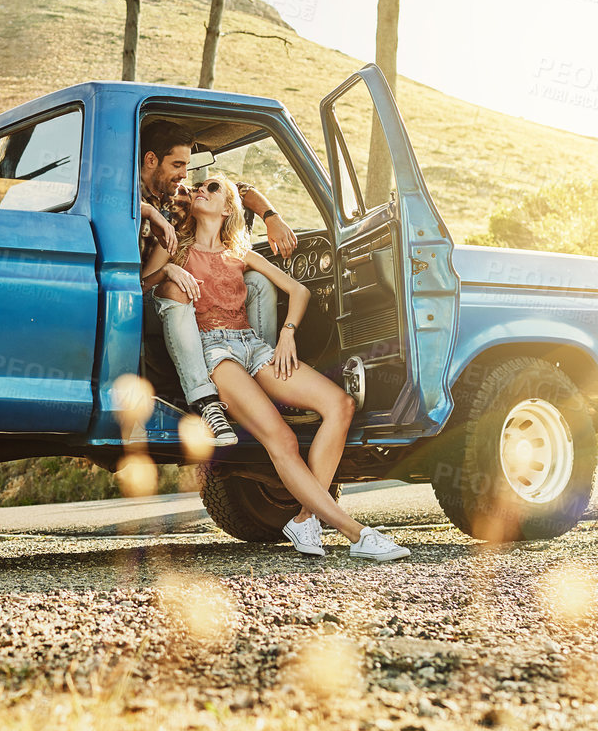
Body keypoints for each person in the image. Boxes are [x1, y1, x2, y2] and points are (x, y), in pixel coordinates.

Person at [144, 173, 409, 562]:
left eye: (212, 188)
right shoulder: (175, 247)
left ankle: (304, 518)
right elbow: (137, 283)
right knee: (281, 440)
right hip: (216, 356)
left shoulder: (240, 252)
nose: (201, 189)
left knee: (340, 405)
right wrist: (168, 270)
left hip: (255, 347)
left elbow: (299, 291)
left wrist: (287, 334)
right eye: (199, 186)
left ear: (228, 206)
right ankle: (358, 534)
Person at [137, 119, 297, 447]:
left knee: (255, 281)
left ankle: (256, 382)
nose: (185, 175)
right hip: (139, 296)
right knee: (178, 286)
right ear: (151, 161)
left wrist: (272, 217)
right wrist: (151, 219)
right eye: (177, 165)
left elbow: (238, 191)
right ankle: (207, 401)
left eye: (187, 166)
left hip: (181, 289)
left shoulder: (180, 198)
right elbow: (109, 206)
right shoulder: (123, 193)